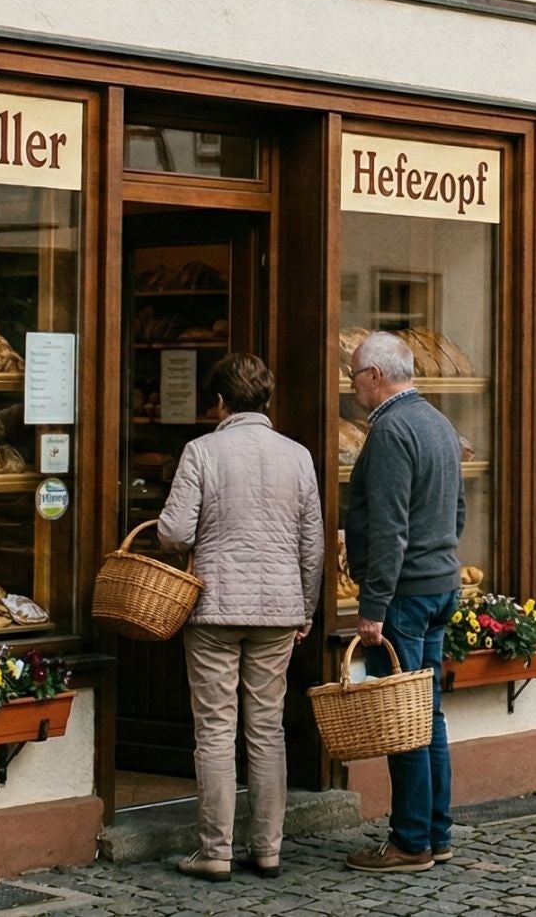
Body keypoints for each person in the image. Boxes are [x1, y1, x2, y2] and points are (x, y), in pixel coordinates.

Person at [156, 354, 323, 882]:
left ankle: (215, 851)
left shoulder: (201, 451)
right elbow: (312, 543)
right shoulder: (297, 456)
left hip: (214, 608)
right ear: (266, 401)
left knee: (215, 729)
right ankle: (268, 848)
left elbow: (175, 533)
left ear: (221, 402)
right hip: (278, 608)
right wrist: (307, 608)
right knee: (268, 730)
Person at [343, 331, 466, 873]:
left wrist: (372, 606)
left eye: (353, 378)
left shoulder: (391, 430)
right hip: (439, 584)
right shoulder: (438, 423)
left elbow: (390, 527)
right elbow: (457, 510)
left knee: (404, 721)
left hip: (405, 596)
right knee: (429, 716)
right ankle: (435, 833)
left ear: (375, 375)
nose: (352, 389)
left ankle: (410, 841)